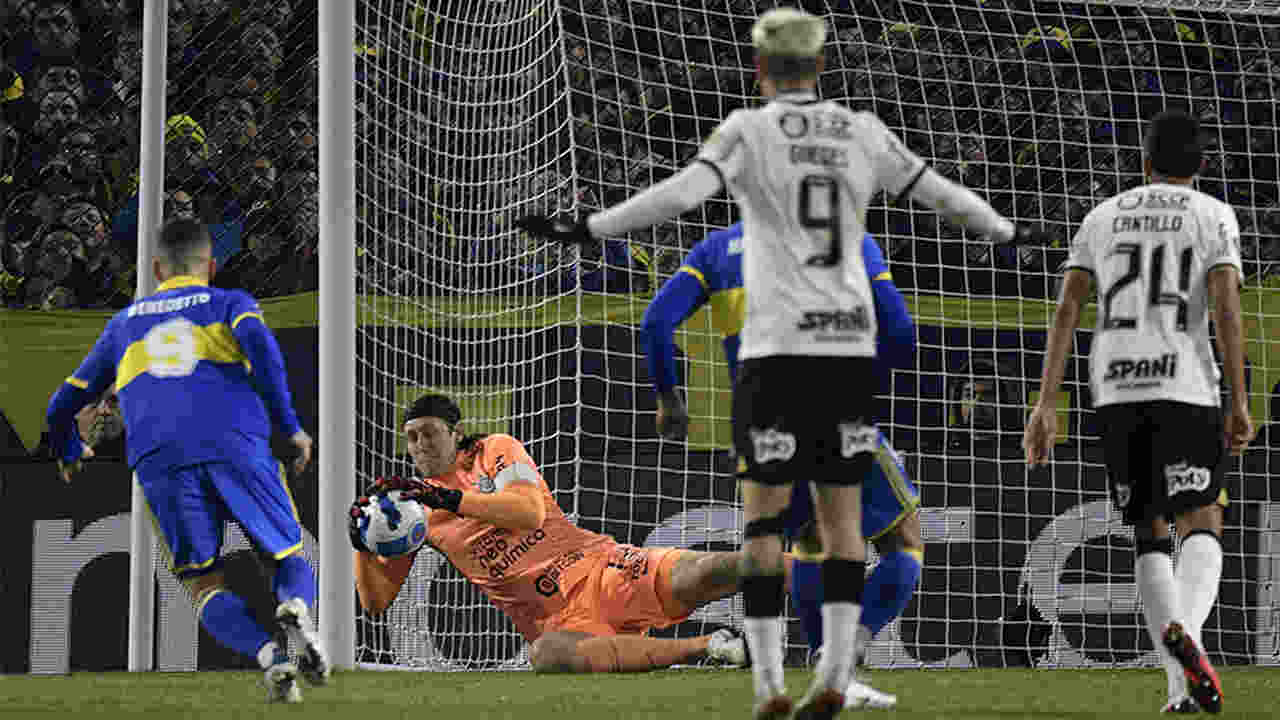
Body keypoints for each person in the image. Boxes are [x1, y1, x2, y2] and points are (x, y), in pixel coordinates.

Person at [516, 8, 1044, 718]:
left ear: (759, 69)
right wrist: (1009, 232)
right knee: (844, 524)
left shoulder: (747, 131)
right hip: (843, 356)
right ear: (821, 66)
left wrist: (589, 227)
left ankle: (768, 686)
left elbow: (679, 193)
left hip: (770, 359)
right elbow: (941, 195)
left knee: (767, 528)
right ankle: (832, 673)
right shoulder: (860, 131)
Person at [1024, 109, 1252, 715]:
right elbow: (1226, 309)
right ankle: (1188, 635)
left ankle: (1179, 689)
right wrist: (1240, 397)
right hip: (1186, 385)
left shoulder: (1102, 216)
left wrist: (1046, 403)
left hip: (1116, 390)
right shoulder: (1212, 215)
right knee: (1202, 520)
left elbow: (1067, 309)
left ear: (1144, 163)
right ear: (1200, 166)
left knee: (1148, 531)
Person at [44, 218, 328, 703]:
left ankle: (272, 659)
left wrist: (71, 450)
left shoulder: (123, 324)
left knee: (201, 582)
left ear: (157, 269)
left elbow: (59, 407)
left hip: (159, 456)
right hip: (234, 442)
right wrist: (290, 426)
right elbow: (261, 349)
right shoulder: (228, 302)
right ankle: (296, 606)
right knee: (285, 554)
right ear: (211, 267)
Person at [640, 221, 921, 710]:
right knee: (904, 541)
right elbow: (899, 334)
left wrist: (669, 397)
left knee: (807, 541)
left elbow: (655, 323)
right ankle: (848, 647)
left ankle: (819, 670)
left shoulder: (717, 248)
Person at [351, 393, 761, 673]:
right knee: (545, 655)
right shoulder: (413, 510)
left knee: (719, 567)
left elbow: (529, 513)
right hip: (556, 622)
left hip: (604, 569)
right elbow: (375, 602)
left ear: (456, 433)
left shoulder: (493, 450)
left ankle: (821, 581)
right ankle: (713, 646)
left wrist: (449, 499)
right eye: (411, 437)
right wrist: (363, 544)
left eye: (429, 432)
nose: (420, 444)